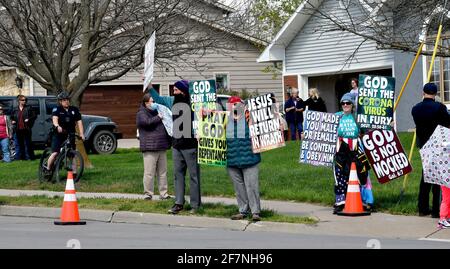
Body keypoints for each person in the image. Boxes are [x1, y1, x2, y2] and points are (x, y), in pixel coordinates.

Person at [148, 80, 201, 214]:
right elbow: (159, 99)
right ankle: (179, 203)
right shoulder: (172, 101)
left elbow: (201, 119)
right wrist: (149, 86)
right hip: (177, 145)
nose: (174, 92)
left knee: (194, 176)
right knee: (178, 175)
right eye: (174, 90)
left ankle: (195, 205)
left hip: (191, 145)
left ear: (183, 91)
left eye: (177, 90)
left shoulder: (194, 103)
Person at [411, 83, 450, 218]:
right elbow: (447, 123)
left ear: (423, 92)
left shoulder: (415, 109)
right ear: (435, 94)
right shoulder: (440, 108)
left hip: (424, 146)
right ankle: (436, 210)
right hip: (438, 145)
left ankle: (422, 208)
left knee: (425, 177)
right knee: (438, 178)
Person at [226, 96, 262, 222]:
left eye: (237, 104)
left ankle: (255, 212)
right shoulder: (224, 120)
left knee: (251, 186)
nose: (235, 106)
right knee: (239, 188)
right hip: (232, 160)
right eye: (232, 104)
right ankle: (243, 210)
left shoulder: (250, 118)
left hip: (250, 159)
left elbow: (262, 130)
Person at [333, 93, 368, 214]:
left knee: (360, 173)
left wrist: (388, 126)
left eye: (348, 103)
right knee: (340, 174)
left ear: (352, 104)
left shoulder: (358, 117)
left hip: (356, 149)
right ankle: (340, 201)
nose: (345, 105)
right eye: (343, 103)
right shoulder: (336, 116)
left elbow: (367, 131)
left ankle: (361, 200)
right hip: (341, 150)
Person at [136, 94, 172, 201]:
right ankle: (148, 194)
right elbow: (146, 123)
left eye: (154, 101)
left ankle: (164, 193)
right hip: (149, 147)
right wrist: (158, 117)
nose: (154, 103)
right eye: (151, 102)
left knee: (162, 172)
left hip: (162, 146)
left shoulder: (159, 111)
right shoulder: (141, 113)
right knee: (149, 172)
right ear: (146, 103)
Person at [46, 92, 85, 172]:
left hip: (70, 133)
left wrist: (81, 134)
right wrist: (57, 126)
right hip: (58, 134)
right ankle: (48, 169)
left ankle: (74, 173)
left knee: (72, 154)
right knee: (55, 153)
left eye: (67, 100)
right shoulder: (57, 109)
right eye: (64, 100)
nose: (66, 101)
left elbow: (79, 122)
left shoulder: (74, 109)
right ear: (60, 101)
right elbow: (55, 119)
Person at [11, 95, 36, 160]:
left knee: (27, 144)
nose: (24, 101)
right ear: (19, 101)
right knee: (19, 144)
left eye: (25, 100)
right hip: (18, 129)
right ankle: (19, 158)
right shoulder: (15, 109)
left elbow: (34, 116)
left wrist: (29, 119)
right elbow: (11, 117)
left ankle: (28, 157)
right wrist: (12, 121)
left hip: (26, 128)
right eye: (23, 100)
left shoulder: (29, 108)